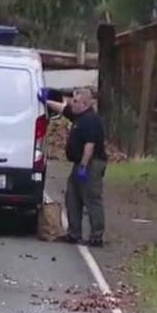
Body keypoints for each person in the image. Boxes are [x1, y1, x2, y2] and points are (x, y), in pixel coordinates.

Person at [44, 86, 106, 246]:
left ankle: (96, 236)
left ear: (85, 103)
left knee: (91, 198)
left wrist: (83, 167)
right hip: (79, 162)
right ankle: (74, 233)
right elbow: (62, 108)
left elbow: (89, 146)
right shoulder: (78, 115)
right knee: (72, 197)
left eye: (76, 101)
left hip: (91, 163)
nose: (72, 103)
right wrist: (46, 101)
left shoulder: (91, 120)